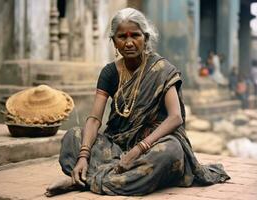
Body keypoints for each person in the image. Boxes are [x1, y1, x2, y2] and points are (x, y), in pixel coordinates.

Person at [46, 8, 230, 197]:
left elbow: (175, 118)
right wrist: (83, 156)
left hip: (153, 146)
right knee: (73, 136)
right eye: (121, 37)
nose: (129, 42)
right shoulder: (109, 73)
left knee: (171, 152)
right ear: (114, 42)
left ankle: (86, 180)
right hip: (118, 146)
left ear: (146, 38)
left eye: (135, 35)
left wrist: (138, 150)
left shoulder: (162, 69)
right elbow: (94, 119)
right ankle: (109, 177)